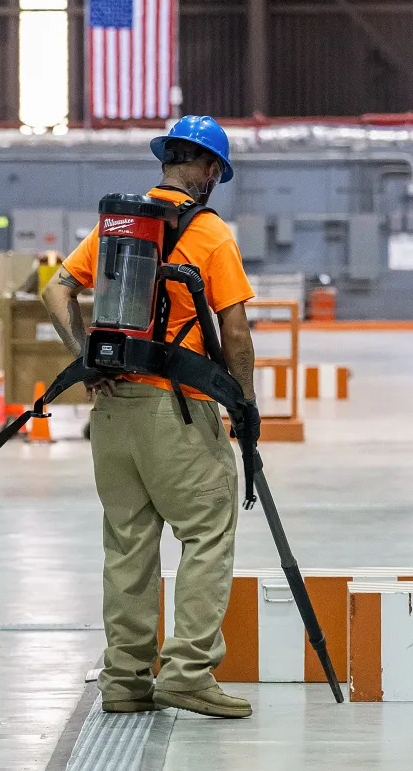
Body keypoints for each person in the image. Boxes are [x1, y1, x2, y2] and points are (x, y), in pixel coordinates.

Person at [42, 115, 259, 719]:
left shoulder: (120, 226)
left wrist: (86, 354)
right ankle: (188, 672)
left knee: (128, 541)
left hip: (111, 411)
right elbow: (235, 333)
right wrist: (242, 403)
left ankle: (126, 680)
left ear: (167, 160)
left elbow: (56, 290)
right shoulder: (211, 233)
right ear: (211, 169)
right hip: (177, 408)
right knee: (207, 528)